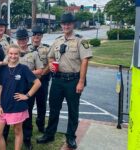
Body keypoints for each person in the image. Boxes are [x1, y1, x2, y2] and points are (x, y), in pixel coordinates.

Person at [36, 13, 93, 149]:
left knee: (73, 110)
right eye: (64, 24)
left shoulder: (81, 40)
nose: (66, 26)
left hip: (73, 80)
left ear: (73, 24)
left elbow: (85, 61)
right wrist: (50, 64)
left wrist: (81, 81)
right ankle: (50, 134)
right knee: (54, 108)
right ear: (61, 25)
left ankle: (71, 137)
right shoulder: (57, 40)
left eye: (69, 24)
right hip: (57, 80)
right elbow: (50, 56)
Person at [0, 44, 41, 150]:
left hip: (17, 106)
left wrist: (27, 96)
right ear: (7, 54)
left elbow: (37, 83)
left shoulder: (23, 69)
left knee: (18, 131)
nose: (13, 56)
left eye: (16, 54)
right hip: (3, 106)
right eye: (11, 53)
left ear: (19, 55)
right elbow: (0, 86)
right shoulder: (3, 69)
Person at [28, 25, 51, 133]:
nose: (36, 37)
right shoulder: (26, 48)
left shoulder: (47, 48)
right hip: (29, 82)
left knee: (41, 104)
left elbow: (50, 63)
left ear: (41, 36)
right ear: (31, 36)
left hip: (43, 81)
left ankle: (41, 125)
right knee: (29, 104)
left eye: (38, 35)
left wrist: (42, 74)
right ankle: (28, 126)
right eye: (34, 35)